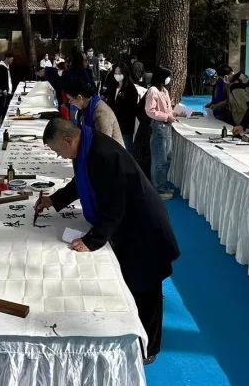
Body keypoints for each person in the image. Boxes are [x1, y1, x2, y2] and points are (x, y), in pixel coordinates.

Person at [36, 118, 180, 365]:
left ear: (68, 140)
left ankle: (149, 348)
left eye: (58, 150)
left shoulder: (101, 154)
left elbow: (115, 205)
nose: (59, 156)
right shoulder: (86, 145)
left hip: (144, 225)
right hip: (131, 222)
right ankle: (137, 334)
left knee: (147, 288)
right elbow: (81, 182)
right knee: (135, 284)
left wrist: (92, 241)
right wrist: (54, 200)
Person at [144, 67, 176, 201]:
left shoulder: (164, 90)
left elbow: (167, 108)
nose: (169, 80)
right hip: (158, 127)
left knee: (167, 158)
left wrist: (173, 114)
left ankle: (162, 185)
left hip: (166, 126)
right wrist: (166, 116)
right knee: (159, 160)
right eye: (167, 77)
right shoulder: (153, 91)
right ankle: (158, 189)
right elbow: (150, 110)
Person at [66, 76, 124, 148]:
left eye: (71, 100)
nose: (70, 103)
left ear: (79, 97)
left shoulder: (101, 112)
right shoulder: (86, 108)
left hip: (113, 152)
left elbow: (103, 144)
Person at [103, 63, 139, 150]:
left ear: (124, 73)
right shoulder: (114, 86)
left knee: (126, 148)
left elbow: (131, 108)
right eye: (115, 72)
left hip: (125, 125)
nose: (117, 75)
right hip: (113, 123)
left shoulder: (130, 88)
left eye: (119, 73)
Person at [0, 51, 15, 124]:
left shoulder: (7, 66)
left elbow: (8, 79)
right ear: (7, 58)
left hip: (7, 90)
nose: (12, 61)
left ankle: (3, 120)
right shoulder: (1, 66)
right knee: (1, 107)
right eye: (11, 60)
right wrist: (4, 89)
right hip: (2, 91)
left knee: (6, 107)